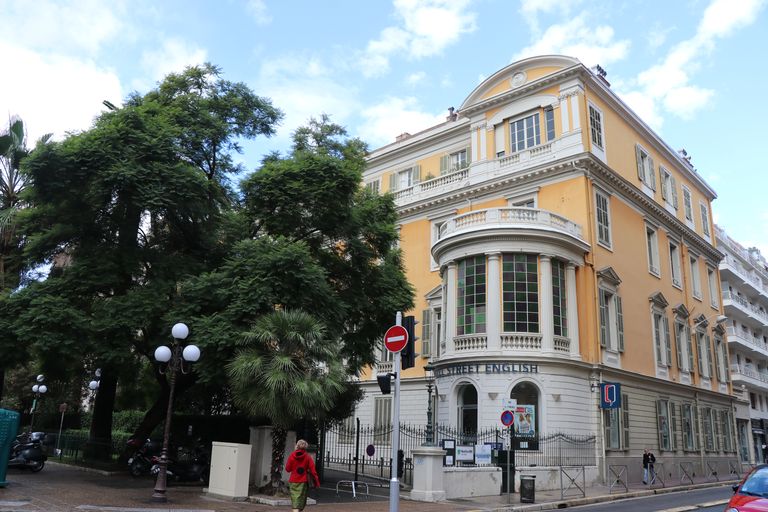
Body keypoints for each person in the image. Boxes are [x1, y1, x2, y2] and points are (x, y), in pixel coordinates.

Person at [285, 439, 320, 512]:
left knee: (295, 501)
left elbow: (287, 469)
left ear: (297, 446)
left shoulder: (292, 455)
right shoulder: (307, 457)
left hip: (293, 480)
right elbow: (313, 471)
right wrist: (317, 482)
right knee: (301, 501)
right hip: (303, 481)